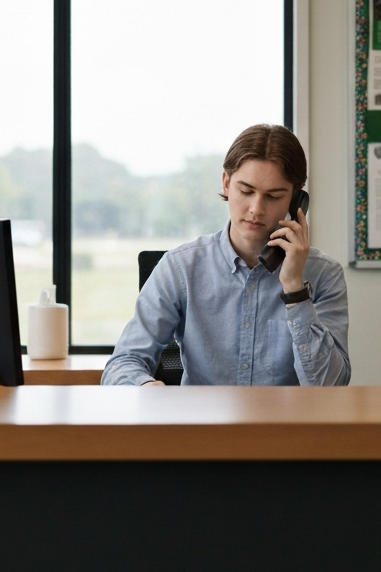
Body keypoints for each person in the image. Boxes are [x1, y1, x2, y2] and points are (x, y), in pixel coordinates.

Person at [102, 124, 349, 386]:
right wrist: (147, 388)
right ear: (226, 183)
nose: (256, 209)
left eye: (273, 196)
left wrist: (295, 291)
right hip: (202, 425)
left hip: (285, 426)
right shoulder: (180, 268)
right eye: (245, 191)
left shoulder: (324, 275)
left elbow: (330, 387)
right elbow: (122, 364)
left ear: (295, 201)